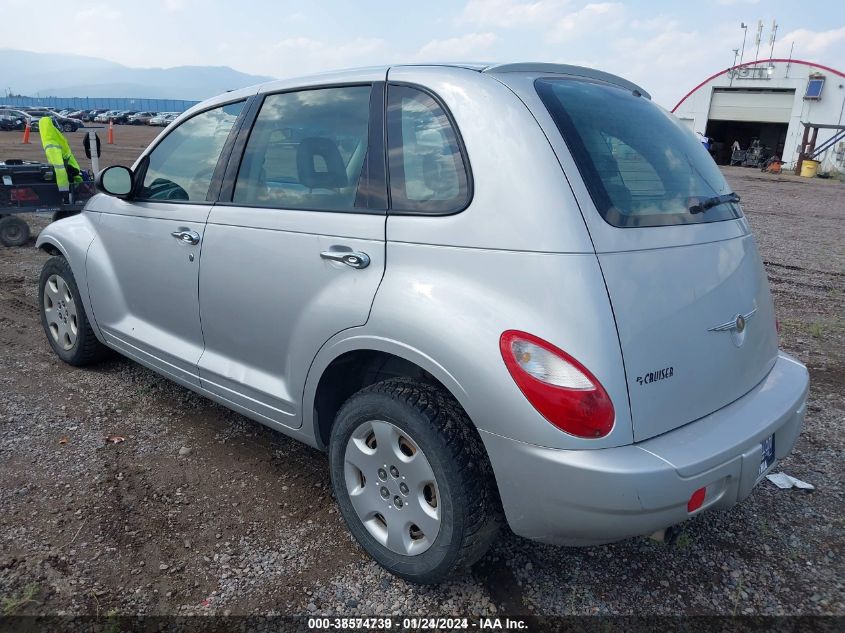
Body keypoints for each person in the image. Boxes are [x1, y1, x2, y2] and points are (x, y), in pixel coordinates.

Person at [38, 116, 83, 203]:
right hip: (71, 179)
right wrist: (64, 192)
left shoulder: (55, 138)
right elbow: (59, 169)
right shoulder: (51, 143)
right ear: (50, 126)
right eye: (55, 124)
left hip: (74, 174)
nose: (58, 126)